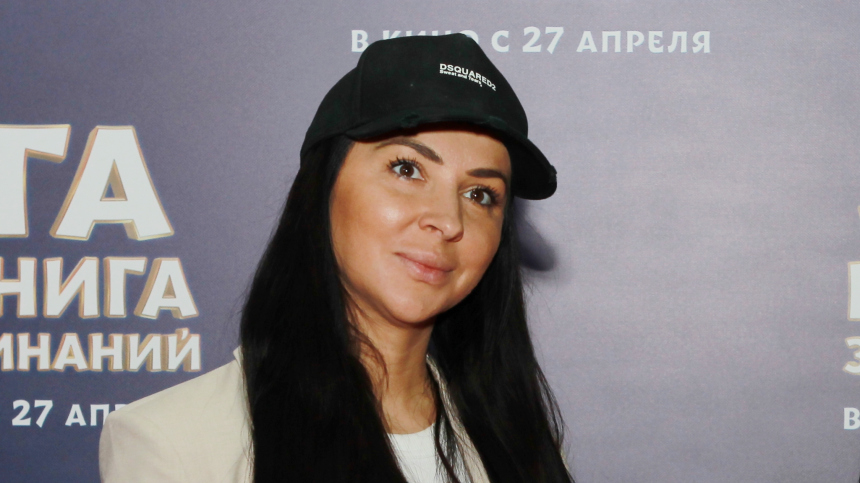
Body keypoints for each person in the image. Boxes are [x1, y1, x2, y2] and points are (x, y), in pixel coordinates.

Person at [99, 33, 572, 483]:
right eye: (407, 169)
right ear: (322, 187)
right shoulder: (172, 442)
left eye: (480, 194)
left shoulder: (519, 441)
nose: (448, 221)